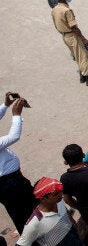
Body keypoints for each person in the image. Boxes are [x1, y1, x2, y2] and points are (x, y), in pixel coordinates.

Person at [51, 0, 88, 85]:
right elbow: (74, 27)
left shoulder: (54, 9)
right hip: (72, 35)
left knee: (77, 56)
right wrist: (84, 39)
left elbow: (55, 24)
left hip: (65, 36)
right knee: (83, 56)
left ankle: (83, 76)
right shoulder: (67, 10)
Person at [0, 95, 35, 234]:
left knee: (19, 209)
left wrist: (5, 105)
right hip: (9, 183)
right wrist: (16, 115)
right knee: (23, 212)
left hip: (9, 182)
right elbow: (14, 136)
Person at [18, 177, 81, 246]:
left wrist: (73, 223)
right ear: (43, 199)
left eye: (60, 191)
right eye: (56, 194)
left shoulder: (58, 201)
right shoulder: (34, 223)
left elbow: (66, 212)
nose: (60, 195)